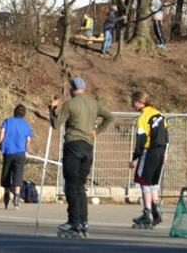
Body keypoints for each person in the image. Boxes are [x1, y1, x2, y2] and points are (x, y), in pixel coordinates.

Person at [50, 78, 114, 238]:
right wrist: (97, 131)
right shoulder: (93, 103)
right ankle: (83, 222)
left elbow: (56, 124)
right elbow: (110, 117)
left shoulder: (70, 104)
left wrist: (51, 109)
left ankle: (73, 221)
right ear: (83, 88)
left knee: (71, 185)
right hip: (88, 147)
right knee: (80, 186)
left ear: (72, 88)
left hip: (73, 145)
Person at [128, 91, 169, 229]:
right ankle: (156, 210)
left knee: (144, 181)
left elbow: (141, 140)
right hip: (161, 150)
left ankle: (147, 213)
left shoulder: (143, 117)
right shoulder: (159, 114)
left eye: (133, 101)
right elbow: (166, 136)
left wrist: (135, 158)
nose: (131, 104)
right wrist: (165, 153)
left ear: (140, 102)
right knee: (153, 182)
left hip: (149, 151)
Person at [0, 104, 32, 210]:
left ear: (14, 112)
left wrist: (0, 143)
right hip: (20, 152)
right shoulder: (26, 125)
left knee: (6, 171)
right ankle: (17, 195)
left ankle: (7, 192)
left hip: (8, 151)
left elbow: (2, 132)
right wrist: (26, 149)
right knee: (18, 172)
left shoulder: (7, 121)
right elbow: (28, 139)